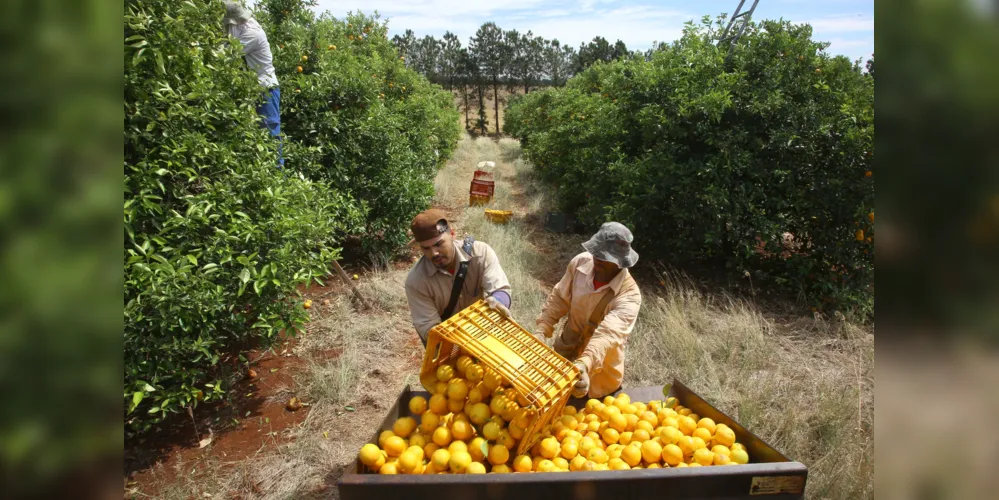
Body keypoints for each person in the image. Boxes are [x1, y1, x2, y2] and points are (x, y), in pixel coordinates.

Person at [535, 222, 642, 399]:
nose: (597, 259)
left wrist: (584, 364)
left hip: (599, 380)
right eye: (596, 252)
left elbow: (607, 335)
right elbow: (559, 298)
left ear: (620, 262)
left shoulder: (629, 296)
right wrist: (542, 330)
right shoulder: (580, 263)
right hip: (565, 359)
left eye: (605, 257)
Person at [405, 209, 513, 345]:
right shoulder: (416, 281)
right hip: (449, 344)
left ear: (452, 234)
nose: (434, 253)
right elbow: (429, 328)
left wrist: (498, 301)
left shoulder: (480, 253)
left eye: (439, 244)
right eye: (426, 248)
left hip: (485, 332)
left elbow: (501, 289)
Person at [222, 2, 284, 167]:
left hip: (267, 89)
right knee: (256, 133)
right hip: (256, 89)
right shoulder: (246, 29)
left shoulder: (253, 34)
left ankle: (279, 177)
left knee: (270, 132)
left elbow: (229, 52)